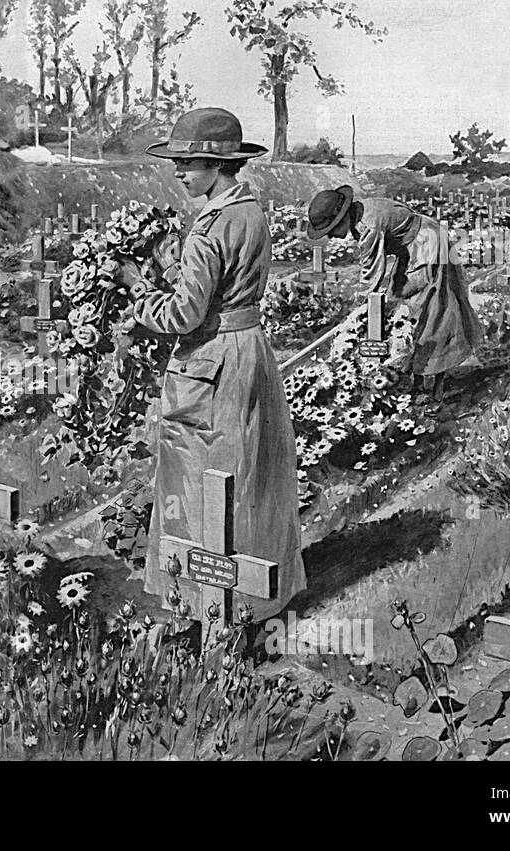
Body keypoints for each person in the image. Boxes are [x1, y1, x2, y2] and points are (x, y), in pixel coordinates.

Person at [131, 107, 306, 629]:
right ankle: (256, 602)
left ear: (216, 164)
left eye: (188, 163)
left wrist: (137, 292)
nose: (179, 173)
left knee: (201, 476)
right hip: (248, 350)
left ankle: (203, 605)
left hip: (210, 361)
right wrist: (171, 265)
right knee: (249, 474)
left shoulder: (208, 227)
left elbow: (185, 316)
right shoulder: (250, 212)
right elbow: (223, 287)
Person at [306, 185, 481, 401]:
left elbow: (371, 274)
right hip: (411, 248)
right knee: (402, 304)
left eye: (331, 229)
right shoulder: (360, 214)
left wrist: (357, 314)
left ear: (342, 218)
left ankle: (436, 383)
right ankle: (417, 377)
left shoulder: (369, 225)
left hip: (428, 244)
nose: (332, 236)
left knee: (431, 310)